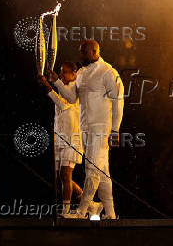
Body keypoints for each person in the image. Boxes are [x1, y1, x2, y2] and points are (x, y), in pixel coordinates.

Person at [48, 40, 124, 219]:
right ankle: (111, 214)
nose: (80, 56)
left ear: (94, 51)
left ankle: (82, 211)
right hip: (85, 128)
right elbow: (72, 97)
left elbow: (118, 101)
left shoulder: (108, 71)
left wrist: (115, 130)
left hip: (101, 128)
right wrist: (56, 81)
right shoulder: (81, 72)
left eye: (83, 52)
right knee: (103, 172)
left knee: (92, 169)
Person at [38, 61, 102, 216]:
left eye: (65, 72)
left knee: (66, 175)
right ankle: (91, 204)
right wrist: (51, 82)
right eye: (60, 72)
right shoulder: (63, 87)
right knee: (62, 176)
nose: (62, 75)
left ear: (74, 73)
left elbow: (63, 103)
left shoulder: (76, 88)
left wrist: (48, 85)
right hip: (60, 138)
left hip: (72, 140)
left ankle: (65, 210)